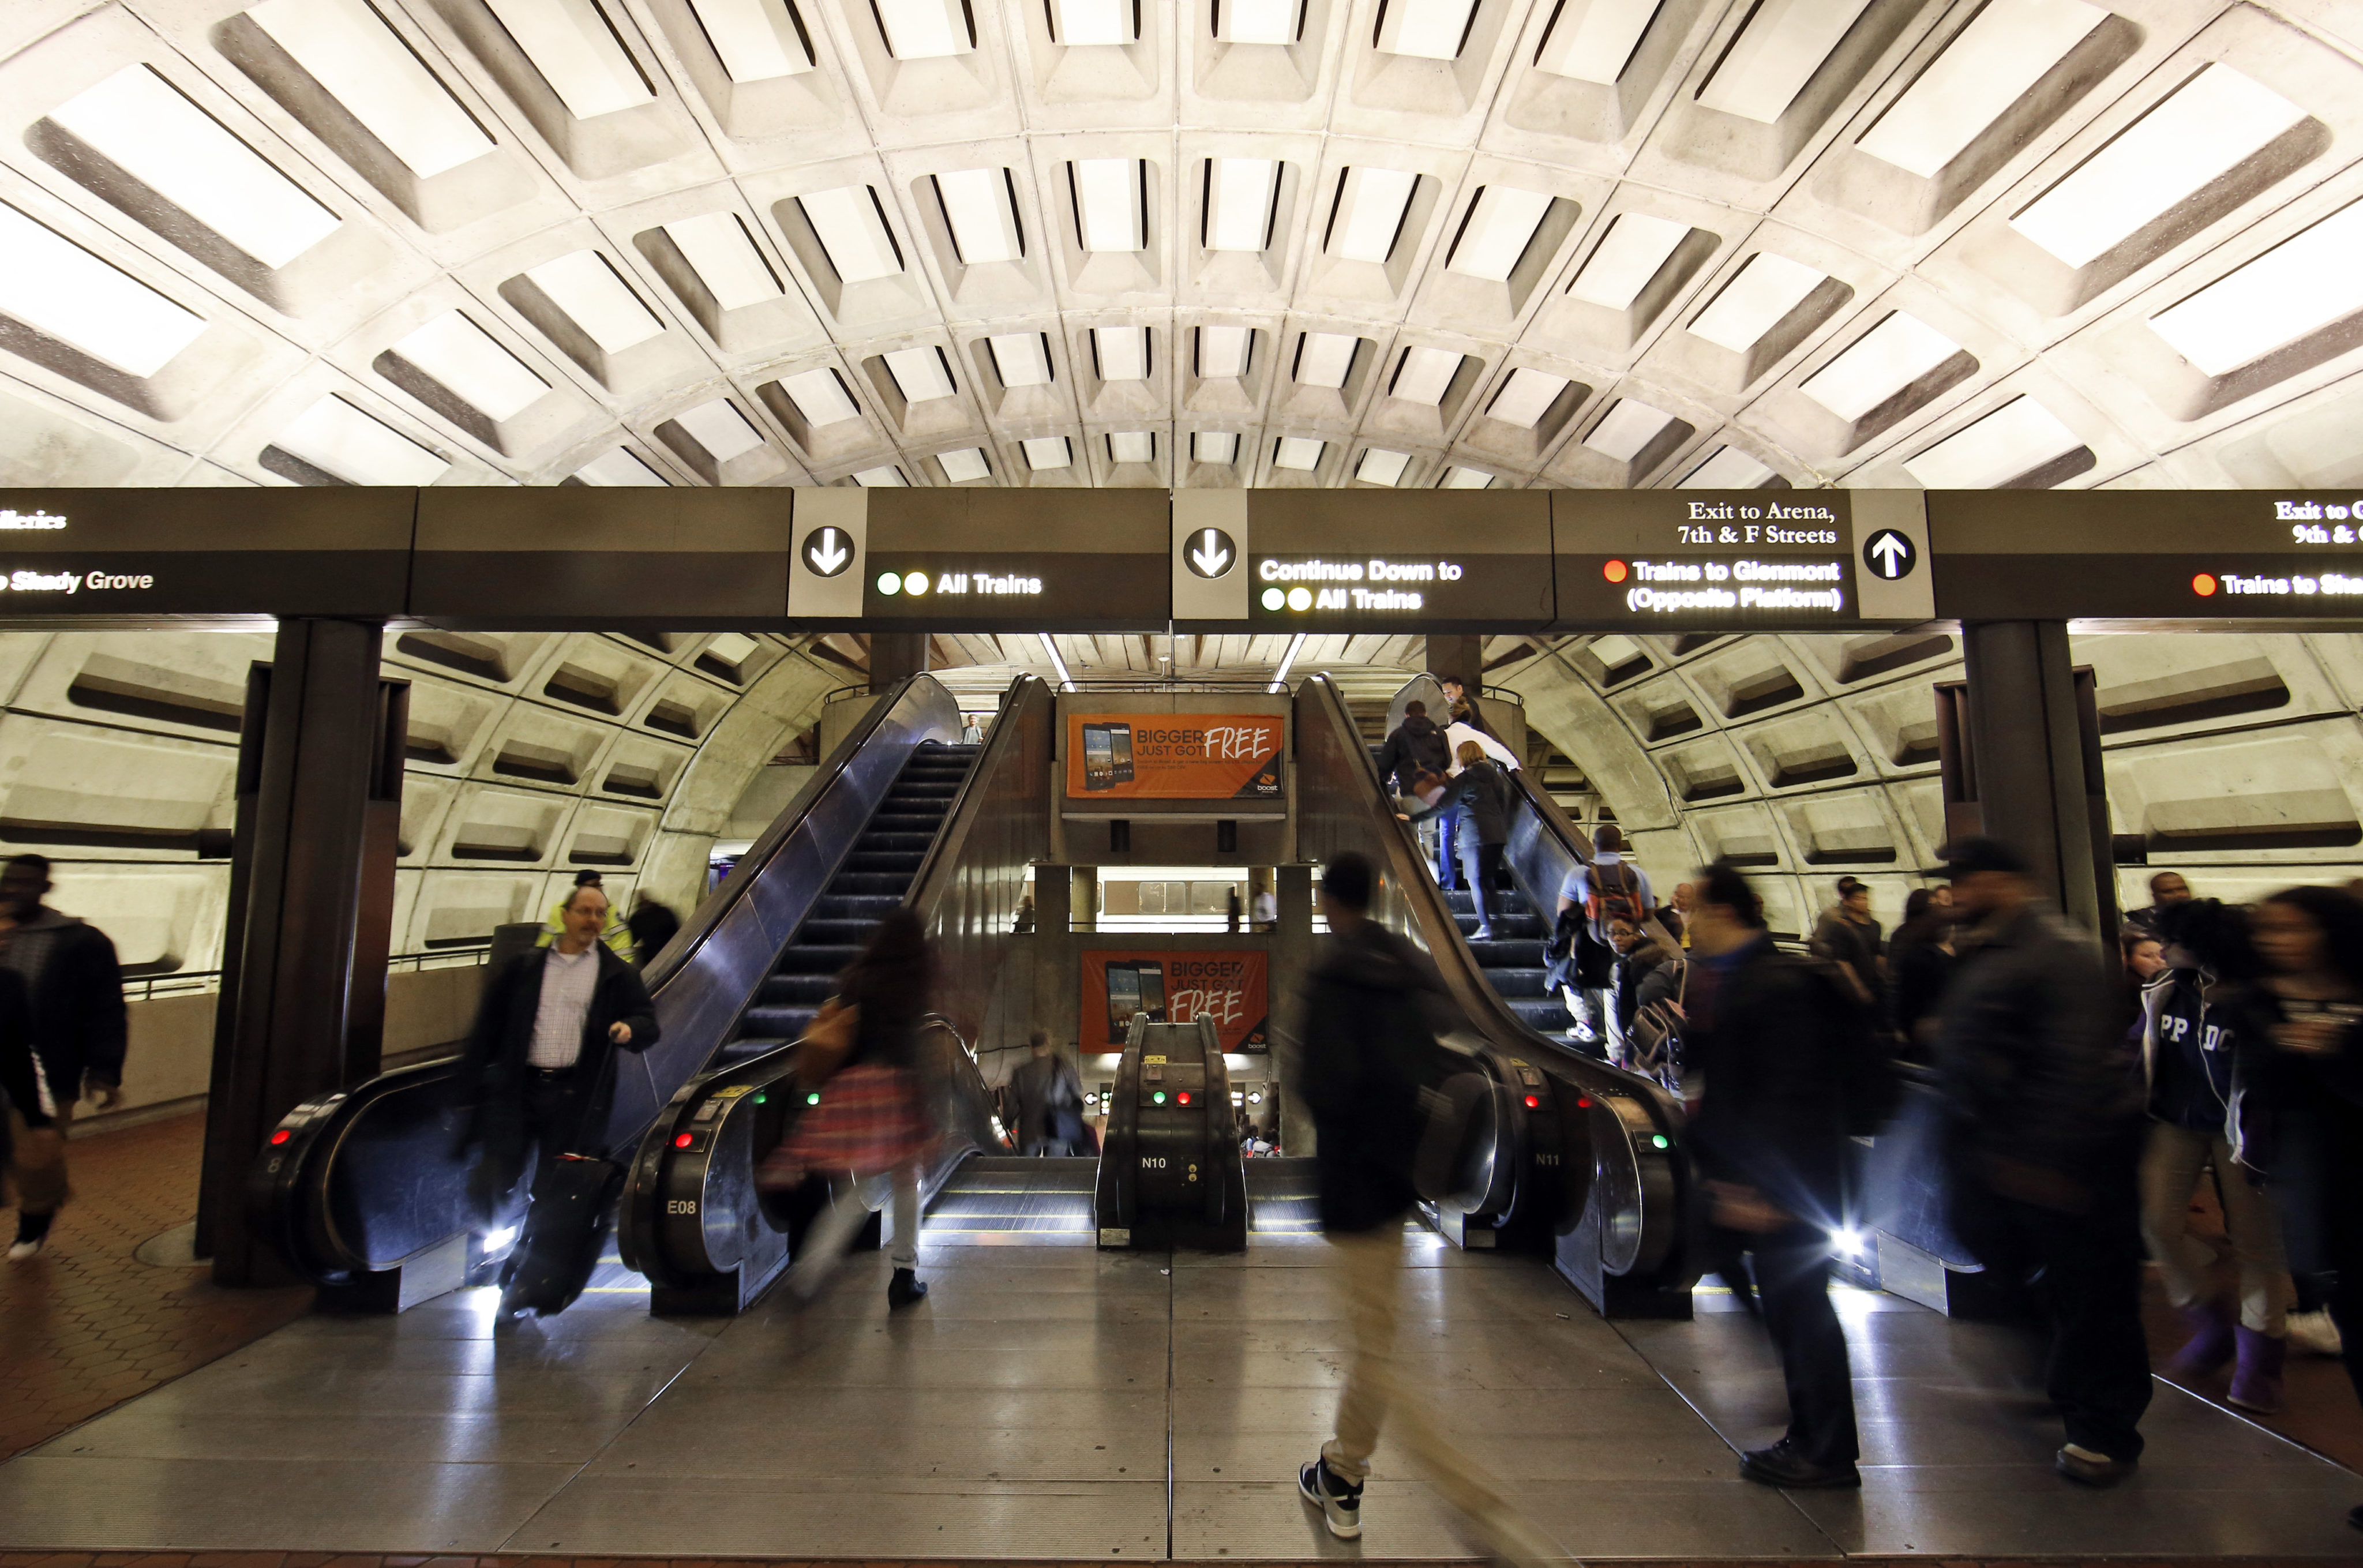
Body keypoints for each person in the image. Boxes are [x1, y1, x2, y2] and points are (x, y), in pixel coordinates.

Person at [1292, 852, 1559, 1565]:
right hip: (1406, 1182)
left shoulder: (1331, 977)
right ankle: (1340, 1471)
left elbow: (1322, 1088)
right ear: (1378, 892)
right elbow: (1460, 1054)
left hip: (1355, 1192)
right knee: (1375, 1337)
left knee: (1379, 1354)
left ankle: (1483, 1512)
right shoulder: (1409, 962)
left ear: (1326, 901)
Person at [1932, 836, 2150, 1486]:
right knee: (2031, 1278)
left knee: (2094, 1296)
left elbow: (2075, 1062)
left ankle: (2103, 1431)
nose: (1956, 892)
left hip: (2068, 1161)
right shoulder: (1993, 949)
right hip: (2001, 1155)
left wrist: (2047, 1159)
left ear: (2004, 882)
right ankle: (2059, 1378)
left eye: (1967, 880)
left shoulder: (2058, 951)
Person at [1682, 861, 1863, 1488]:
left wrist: (1765, 1191)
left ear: (1723, 912)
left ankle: (1826, 1450)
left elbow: (1792, 1098)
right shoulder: (1731, 979)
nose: (1686, 922)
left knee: (1803, 1312)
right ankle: (1810, 1430)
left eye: (1692, 910)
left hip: (1789, 1190)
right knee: (1784, 1306)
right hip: (1758, 1181)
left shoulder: (1776, 984)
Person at [2218, 886, 2363, 1533]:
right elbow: (2263, 1087)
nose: (2277, 942)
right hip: (2327, 1186)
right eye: (2268, 930)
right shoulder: (2257, 1005)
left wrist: (2333, 1049)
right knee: (2358, 1328)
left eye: (2292, 928)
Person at [452, 882, 658, 1292]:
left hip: (575, 1100)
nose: (593, 921)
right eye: (585, 912)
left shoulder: (617, 974)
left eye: (601, 914)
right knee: (494, 1177)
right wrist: (469, 1087)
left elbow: (648, 1023)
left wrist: (629, 1028)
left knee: (554, 1189)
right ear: (564, 914)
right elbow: (487, 1031)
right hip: (519, 1091)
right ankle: (487, 1253)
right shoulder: (524, 969)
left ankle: (522, 1271)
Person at [2139, 899, 2290, 1413]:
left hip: (2243, 1132)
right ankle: (2207, 1316)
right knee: (2155, 1221)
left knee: (2256, 1244)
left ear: (2201, 946)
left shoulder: (2254, 996)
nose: (2159, 949)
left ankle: (2260, 1362)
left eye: (2170, 941)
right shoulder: (2167, 990)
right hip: (2176, 1121)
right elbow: (2143, 1047)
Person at [770, 908, 938, 1308]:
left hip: (852, 1088)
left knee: (855, 1191)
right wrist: (921, 1108)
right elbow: (912, 1047)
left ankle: (808, 1275)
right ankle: (904, 1274)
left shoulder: (857, 977)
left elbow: (840, 1033)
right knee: (907, 1181)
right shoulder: (914, 979)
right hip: (893, 1087)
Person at [0, 855, 126, 1261]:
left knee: (36, 1154)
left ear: (46, 888)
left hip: (48, 1070)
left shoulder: (80, 942)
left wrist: (103, 1071)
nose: (15, 890)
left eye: (26, 883)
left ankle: (33, 1226)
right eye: (9, 881)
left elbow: (106, 1009)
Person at [1406, 741, 1513, 940]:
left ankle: (1485, 926)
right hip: (1497, 835)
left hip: (1475, 835)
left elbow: (1443, 807)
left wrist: (1414, 818)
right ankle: (1501, 925)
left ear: (1463, 757)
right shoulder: (1496, 777)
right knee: (1488, 879)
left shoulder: (1465, 779)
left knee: (1475, 880)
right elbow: (1502, 804)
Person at [1555, 826, 1652, 1045]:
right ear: (1621, 844)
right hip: (1625, 946)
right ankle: (1618, 1051)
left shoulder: (1579, 873)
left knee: (1565, 973)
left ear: (1593, 843)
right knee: (1614, 991)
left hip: (1589, 946)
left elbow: (1562, 913)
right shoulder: (1637, 874)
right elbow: (1647, 915)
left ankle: (1585, 1022)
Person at [1607, 914, 1683, 1075]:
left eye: (1623, 933)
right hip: (1648, 1040)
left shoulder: (1643, 962)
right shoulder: (1634, 960)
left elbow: (1646, 1009)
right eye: (1612, 933)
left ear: (1636, 936)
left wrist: (1632, 1050)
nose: (1617, 938)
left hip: (1647, 1041)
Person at [1888, 887, 1955, 1060]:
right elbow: (1898, 981)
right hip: (1920, 1014)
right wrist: (1898, 1026)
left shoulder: (1938, 934)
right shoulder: (1906, 936)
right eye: (1932, 905)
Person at [1810, 877, 1884, 1011]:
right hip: (1845, 980)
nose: (1862, 902)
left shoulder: (1872, 923)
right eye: (1857, 897)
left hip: (1871, 979)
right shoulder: (1832, 917)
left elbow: (1876, 951)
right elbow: (1819, 945)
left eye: (1864, 898)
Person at [1010, 1029, 1084, 1157]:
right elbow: (1077, 1091)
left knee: (1026, 1171)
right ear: (1047, 1044)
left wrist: (1007, 1125)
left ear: (1031, 1047)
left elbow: (1011, 1106)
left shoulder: (1020, 1072)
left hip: (1029, 1132)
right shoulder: (1063, 1066)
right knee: (1054, 1171)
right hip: (1058, 1129)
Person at [538, 870, 635, 960]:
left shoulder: (611, 911)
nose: (598, 889)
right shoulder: (559, 910)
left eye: (599, 885)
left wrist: (619, 974)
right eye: (593, 886)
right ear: (580, 888)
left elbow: (623, 946)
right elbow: (545, 942)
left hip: (601, 968)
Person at [1374, 699, 1450, 802]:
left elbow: (1385, 764)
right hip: (1437, 792)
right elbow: (1448, 761)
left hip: (1410, 791)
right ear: (1425, 714)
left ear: (1407, 715)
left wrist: (1385, 779)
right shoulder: (1439, 733)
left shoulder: (1398, 735)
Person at [2124, 871, 2195, 938]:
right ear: (2155, 896)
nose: (2178, 895)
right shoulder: (2139, 922)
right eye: (2168, 892)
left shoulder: (2202, 917)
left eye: (2182, 889)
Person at [624, 891, 680, 969]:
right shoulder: (665, 912)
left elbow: (631, 939)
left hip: (651, 958)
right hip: (670, 952)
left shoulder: (638, 918)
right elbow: (677, 931)